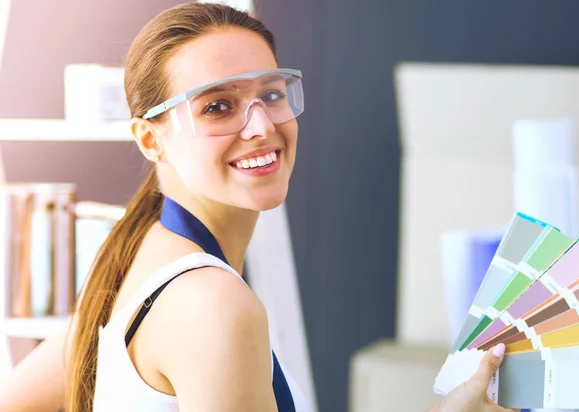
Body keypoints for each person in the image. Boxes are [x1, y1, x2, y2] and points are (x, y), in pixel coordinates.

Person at [0, 3, 518, 411]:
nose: (262, 126)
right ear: (149, 139)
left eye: (271, 94)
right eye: (218, 106)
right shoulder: (213, 305)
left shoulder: (132, 254)